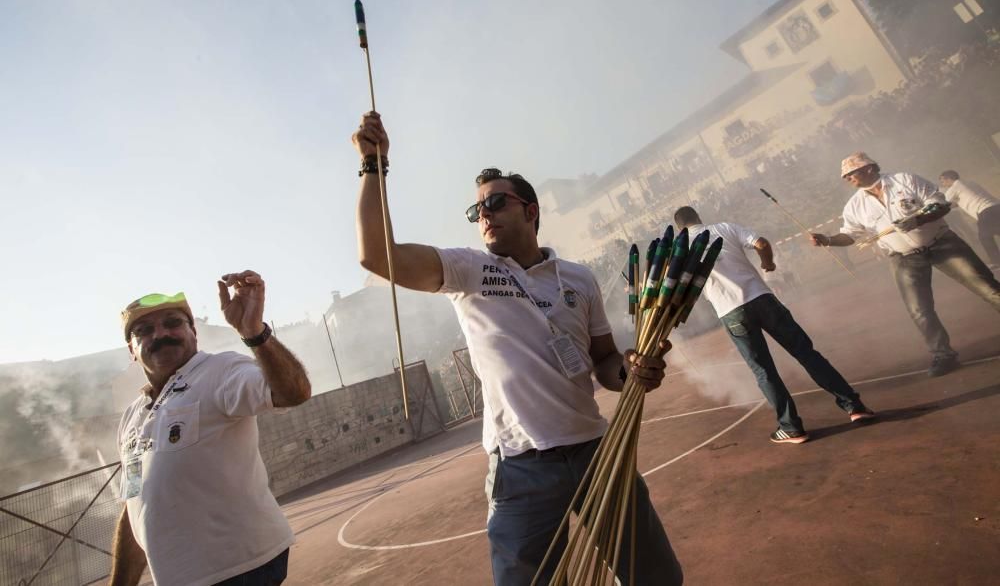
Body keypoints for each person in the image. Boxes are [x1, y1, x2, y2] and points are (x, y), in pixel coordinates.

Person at [351, 111, 683, 586]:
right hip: (521, 468)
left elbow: (605, 362)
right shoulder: (467, 271)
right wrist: (373, 166)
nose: (483, 213)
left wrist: (630, 370)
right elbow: (376, 255)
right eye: (477, 210)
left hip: (595, 450)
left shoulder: (579, 278)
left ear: (531, 211)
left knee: (657, 577)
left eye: (496, 202)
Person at [109, 271, 312, 586]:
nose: (161, 334)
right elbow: (135, 501)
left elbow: (293, 392)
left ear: (193, 333)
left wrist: (254, 332)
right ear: (132, 351)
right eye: (145, 330)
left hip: (240, 569)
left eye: (173, 323)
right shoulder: (131, 418)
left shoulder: (220, 371)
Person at [673, 207, 874, 445]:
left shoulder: (679, 249)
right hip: (762, 299)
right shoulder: (725, 228)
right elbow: (762, 243)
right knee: (807, 353)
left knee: (763, 371)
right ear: (699, 217)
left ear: (679, 227)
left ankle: (791, 427)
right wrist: (767, 264)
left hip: (731, 311)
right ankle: (854, 406)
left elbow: (679, 286)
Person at [810, 153, 1000, 377]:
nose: (847, 178)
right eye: (846, 176)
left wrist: (919, 219)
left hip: (942, 244)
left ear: (869, 168)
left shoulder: (905, 180)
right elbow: (850, 235)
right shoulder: (854, 206)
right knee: (919, 310)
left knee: (987, 288)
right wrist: (828, 240)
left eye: (851, 173)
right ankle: (943, 355)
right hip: (903, 258)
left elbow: (940, 203)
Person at [939, 170, 1000, 268]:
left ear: (948, 178)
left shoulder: (954, 188)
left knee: (984, 237)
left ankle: (997, 261)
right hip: (996, 206)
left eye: (942, 181)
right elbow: (967, 198)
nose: (943, 184)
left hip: (985, 211)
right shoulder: (970, 183)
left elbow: (943, 204)